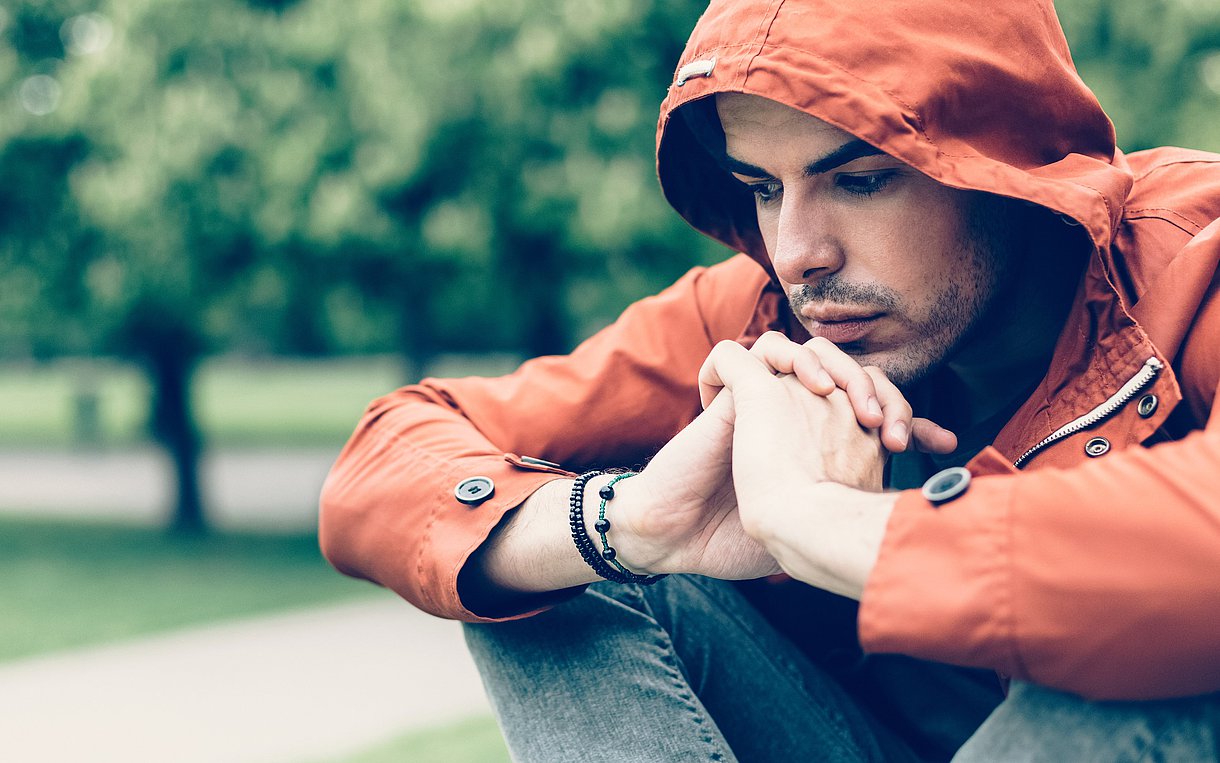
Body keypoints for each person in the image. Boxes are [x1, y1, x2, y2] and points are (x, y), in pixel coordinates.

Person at [319, 0, 1220, 759]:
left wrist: (822, 521)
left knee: (1136, 663)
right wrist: (629, 523)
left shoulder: (1196, 264)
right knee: (560, 568)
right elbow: (384, 458)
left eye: (860, 180)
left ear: (1002, 168)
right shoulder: (761, 320)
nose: (798, 253)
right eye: (761, 186)